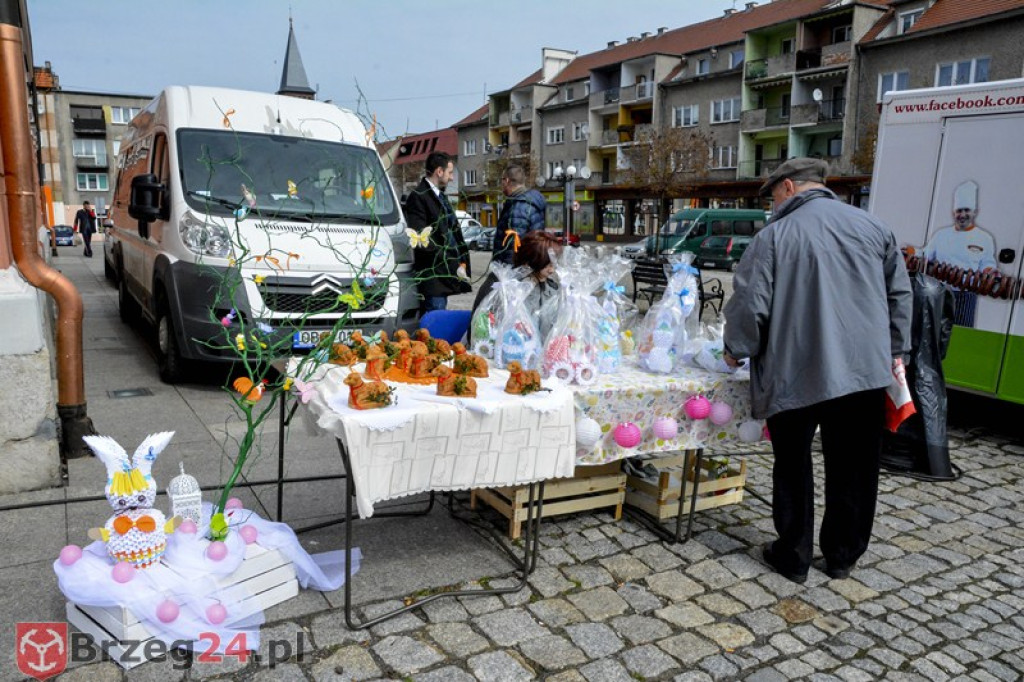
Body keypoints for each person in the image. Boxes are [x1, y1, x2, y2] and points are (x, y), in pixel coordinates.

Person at [722, 158, 912, 584]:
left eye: (773, 195)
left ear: (789, 187)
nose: (772, 204)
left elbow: (751, 304)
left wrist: (736, 350)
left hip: (796, 367)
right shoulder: (874, 227)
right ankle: (842, 555)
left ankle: (793, 555)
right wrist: (897, 350)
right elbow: (900, 295)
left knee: (793, 463)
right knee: (855, 466)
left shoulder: (774, 237)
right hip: (864, 369)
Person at [921, 180, 997, 327]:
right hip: (939, 293)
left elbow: (988, 262)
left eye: (967, 210)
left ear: (975, 212)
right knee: (935, 332)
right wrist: (910, 252)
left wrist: (990, 272)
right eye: (959, 211)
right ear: (953, 213)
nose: (963, 215)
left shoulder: (985, 238)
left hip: (966, 296)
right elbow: (925, 256)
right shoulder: (940, 236)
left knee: (961, 335)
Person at [404, 152, 471, 313]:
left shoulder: (440, 196)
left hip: (443, 274)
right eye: (449, 173)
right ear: (439, 172)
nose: (452, 178)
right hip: (433, 277)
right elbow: (421, 239)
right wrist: (446, 258)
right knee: (433, 324)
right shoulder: (419, 197)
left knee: (438, 319)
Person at [472, 230, 562, 338]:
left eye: (553, 264)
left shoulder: (552, 288)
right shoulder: (504, 283)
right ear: (531, 260)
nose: (552, 270)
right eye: (547, 265)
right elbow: (482, 326)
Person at [492, 164, 546, 265]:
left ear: (507, 180)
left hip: (514, 270)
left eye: (502, 180)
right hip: (529, 263)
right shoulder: (532, 201)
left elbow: (513, 246)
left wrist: (507, 274)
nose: (501, 184)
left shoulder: (518, 206)